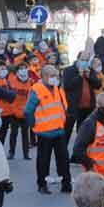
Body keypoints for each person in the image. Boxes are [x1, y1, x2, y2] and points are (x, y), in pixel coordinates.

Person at [71, 92, 104, 207]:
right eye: (102, 105)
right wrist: (90, 165)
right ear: (97, 105)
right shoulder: (90, 124)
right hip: (95, 176)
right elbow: (77, 150)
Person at [26, 65, 71, 194]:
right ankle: (42, 184)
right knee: (43, 160)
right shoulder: (37, 90)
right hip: (45, 132)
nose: (55, 78)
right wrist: (34, 125)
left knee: (63, 159)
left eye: (56, 76)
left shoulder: (58, 89)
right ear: (44, 77)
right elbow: (28, 111)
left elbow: (63, 106)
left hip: (59, 130)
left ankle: (66, 184)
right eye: (52, 76)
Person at [62, 53, 101, 143]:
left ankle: (78, 154)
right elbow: (67, 86)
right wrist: (79, 75)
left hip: (88, 107)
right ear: (78, 59)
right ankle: (63, 155)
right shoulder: (69, 70)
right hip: (74, 106)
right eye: (83, 60)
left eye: (87, 60)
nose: (85, 62)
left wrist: (89, 76)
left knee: (83, 134)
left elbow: (98, 85)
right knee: (67, 131)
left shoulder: (89, 70)